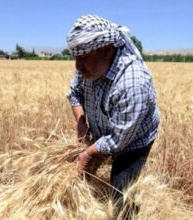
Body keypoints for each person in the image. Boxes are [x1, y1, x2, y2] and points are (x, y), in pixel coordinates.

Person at [66, 15, 160, 218]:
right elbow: (74, 93)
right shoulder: (86, 67)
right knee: (80, 176)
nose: (77, 66)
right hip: (105, 131)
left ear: (106, 50)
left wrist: (89, 153)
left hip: (132, 140)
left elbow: (119, 139)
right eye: (76, 57)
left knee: (120, 195)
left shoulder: (132, 83)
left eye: (83, 57)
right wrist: (82, 122)